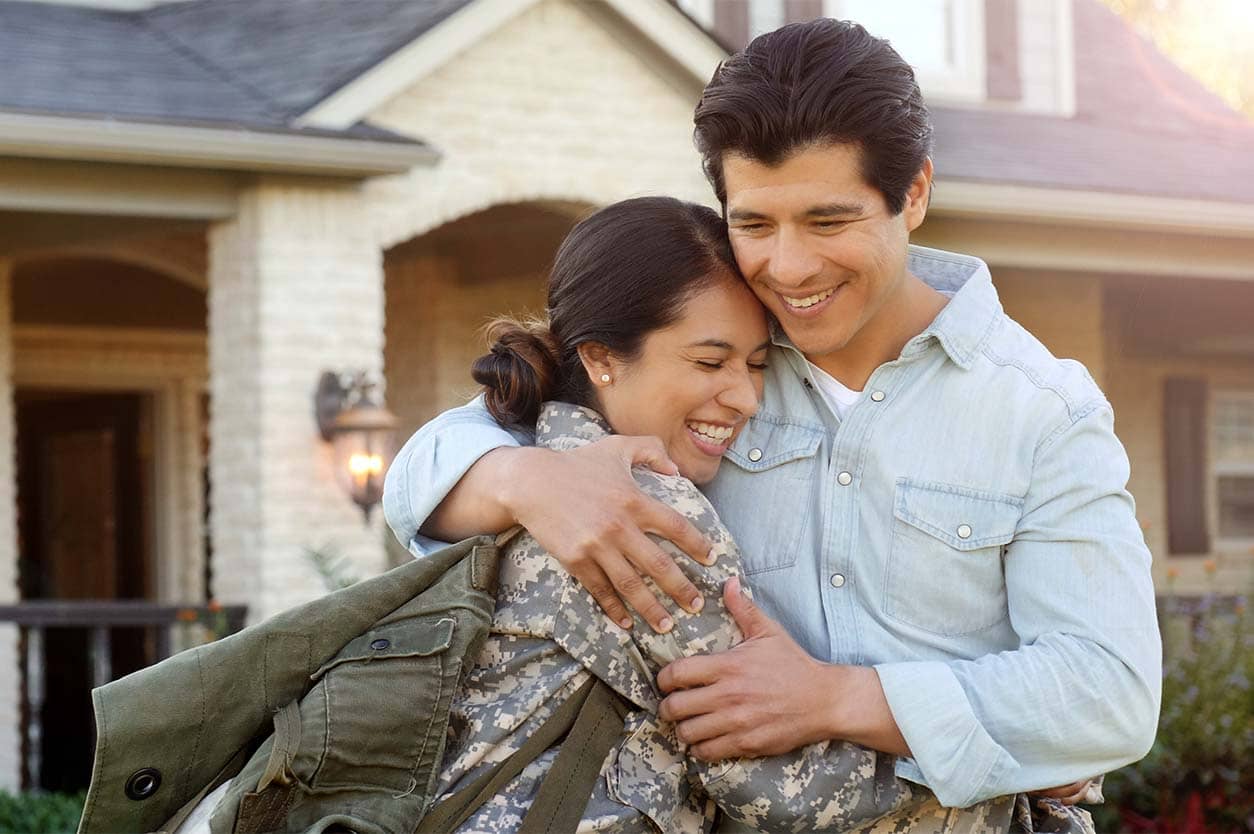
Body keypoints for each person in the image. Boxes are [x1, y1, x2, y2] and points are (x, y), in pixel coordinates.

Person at [383, 18, 1160, 813]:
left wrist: (841, 699)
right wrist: (524, 478)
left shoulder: (1042, 410)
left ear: (915, 193)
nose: (787, 269)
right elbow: (426, 468)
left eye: (828, 221)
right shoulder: (716, 359)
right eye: (753, 224)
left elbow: (1109, 694)